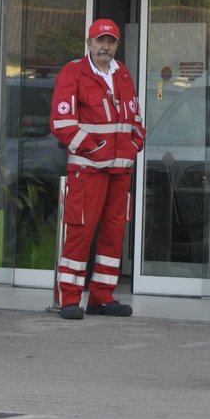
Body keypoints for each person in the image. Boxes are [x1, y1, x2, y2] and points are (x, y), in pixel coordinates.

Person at [50, 18, 145, 320]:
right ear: (89, 43)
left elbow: (136, 119)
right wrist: (95, 149)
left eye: (111, 41)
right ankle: (69, 298)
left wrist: (134, 146)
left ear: (117, 45)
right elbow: (62, 124)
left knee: (114, 235)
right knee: (80, 232)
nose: (105, 46)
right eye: (99, 40)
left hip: (120, 173)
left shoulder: (124, 74)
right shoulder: (73, 73)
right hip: (87, 172)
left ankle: (102, 298)